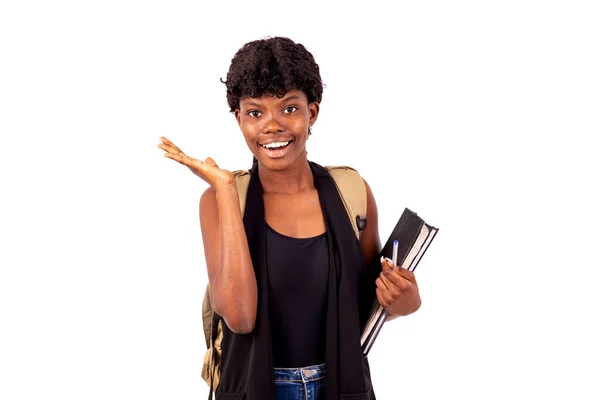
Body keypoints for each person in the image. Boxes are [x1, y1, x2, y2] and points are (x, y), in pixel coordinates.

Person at [157, 36, 422, 400]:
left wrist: (404, 302)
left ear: (311, 113)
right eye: (255, 113)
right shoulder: (221, 200)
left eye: (289, 109)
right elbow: (240, 315)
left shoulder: (352, 192)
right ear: (238, 119)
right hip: (255, 387)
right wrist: (223, 188)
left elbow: (368, 304)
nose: (272, 125)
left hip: (342, 386)